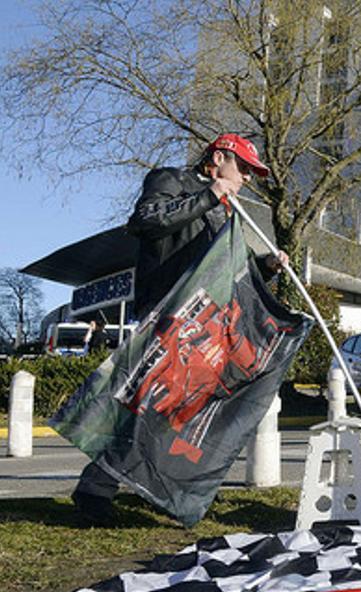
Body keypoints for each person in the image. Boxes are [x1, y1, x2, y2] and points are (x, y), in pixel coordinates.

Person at [70, 133, 286, 527]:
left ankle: (152, 490)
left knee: (179, 416)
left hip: (202, 324)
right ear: (219, 158)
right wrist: (210, 195)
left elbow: (228, 267)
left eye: (253, 174)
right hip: (166, 314)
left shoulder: (227, 208)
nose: (248, 180)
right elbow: (145, 221)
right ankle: (94, 490)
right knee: (148, 407)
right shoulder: (172, 179)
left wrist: (265, 267)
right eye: (244, 169)